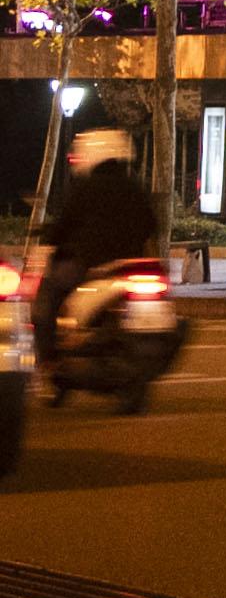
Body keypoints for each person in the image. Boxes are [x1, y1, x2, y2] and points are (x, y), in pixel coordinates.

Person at [35, 126, 161, 396]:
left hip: (88, 265)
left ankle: (50, 361)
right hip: (131, 267)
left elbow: (64, 225)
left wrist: (50, 236)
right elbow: (151, 224)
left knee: (47, 297)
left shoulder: (86, 188)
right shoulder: (134, 187)